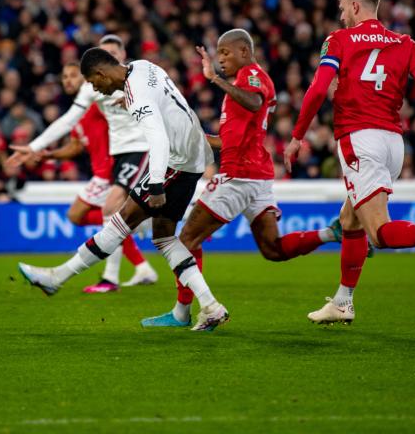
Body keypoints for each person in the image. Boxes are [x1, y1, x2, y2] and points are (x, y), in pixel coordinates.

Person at [285, 0, 415, 325]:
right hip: (392, 145)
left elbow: (316, 91)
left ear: (356, 6)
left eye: (343, 9)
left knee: (377, 231)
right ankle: (343, 302)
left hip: (359, 139)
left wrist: (298, 135)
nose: (342, 16)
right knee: (349, 219)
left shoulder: (339, 40)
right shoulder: (407, 44)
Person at [142, 29, 344, 328]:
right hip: (257, 175)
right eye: (218, 53)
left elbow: (253, 102)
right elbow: (228, 140)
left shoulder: (251, 75)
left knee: (184, 240)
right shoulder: (242, 85)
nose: (221, 58)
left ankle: (185, 313)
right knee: (272, 249)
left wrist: (215, 80)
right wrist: (190, 137)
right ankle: (332, 234)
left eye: (226, 52)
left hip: (238, 175)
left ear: (245, 52)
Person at [18, 48, 229, 332]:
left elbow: (157, 138)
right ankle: (210, 306)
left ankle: (56, 277)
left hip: (173, 163)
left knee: (119, 221)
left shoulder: (137, 96)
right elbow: (169, 102)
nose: (96, 89)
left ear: (101, 74)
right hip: (193, 159)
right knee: (164, 237)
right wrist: (127, 99)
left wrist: (155, 184)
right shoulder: (144, 67)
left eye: (94, 83)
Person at [8, 35, 156, 291]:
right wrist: (34, 147)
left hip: (141, 148)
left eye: (113, 52)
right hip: (120, 153)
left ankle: (109, 278)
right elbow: (67, 121)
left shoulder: (139, 75)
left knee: (111, 208)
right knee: (126, 218)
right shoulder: (92, 89)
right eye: (105, 53)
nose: (109, 57)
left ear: (122, 54)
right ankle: (143, 232)